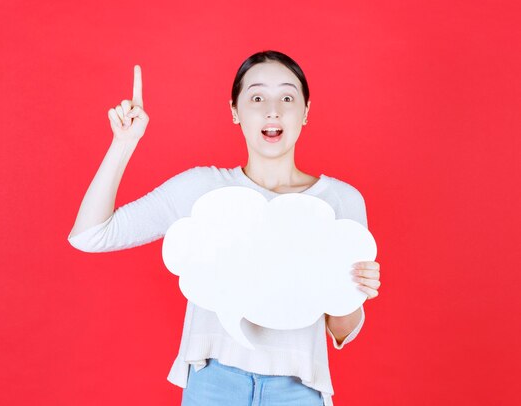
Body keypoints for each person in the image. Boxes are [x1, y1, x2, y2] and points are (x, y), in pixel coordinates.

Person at [67, 50, 382, 406]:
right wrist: (123, 144)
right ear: (234, 110)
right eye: (257, 97)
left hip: (298, 390)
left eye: (288, 97)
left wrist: (353, 290)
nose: (272, 110)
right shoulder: (202, 189)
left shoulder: (341, 201)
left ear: (306, 111)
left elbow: (341, 328)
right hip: (213, 384)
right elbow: (91, 235)